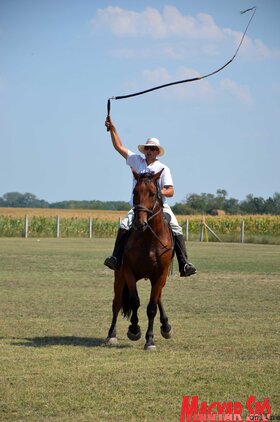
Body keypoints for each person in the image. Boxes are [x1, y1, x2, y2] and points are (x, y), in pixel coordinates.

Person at [104, 116, 197, 277]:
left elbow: (171, 191)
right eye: (147, 148)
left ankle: (184, 264)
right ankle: (116, 258)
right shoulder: (136, 161)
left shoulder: (163, 168)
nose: (149, 151)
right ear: (144, 150)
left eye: (153, 149)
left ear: (157, 152)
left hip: (159, 207)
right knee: (125, 225)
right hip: (139, 206)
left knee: (176, 227)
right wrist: (113, 128)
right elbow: (118, 146)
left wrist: (157, 193)